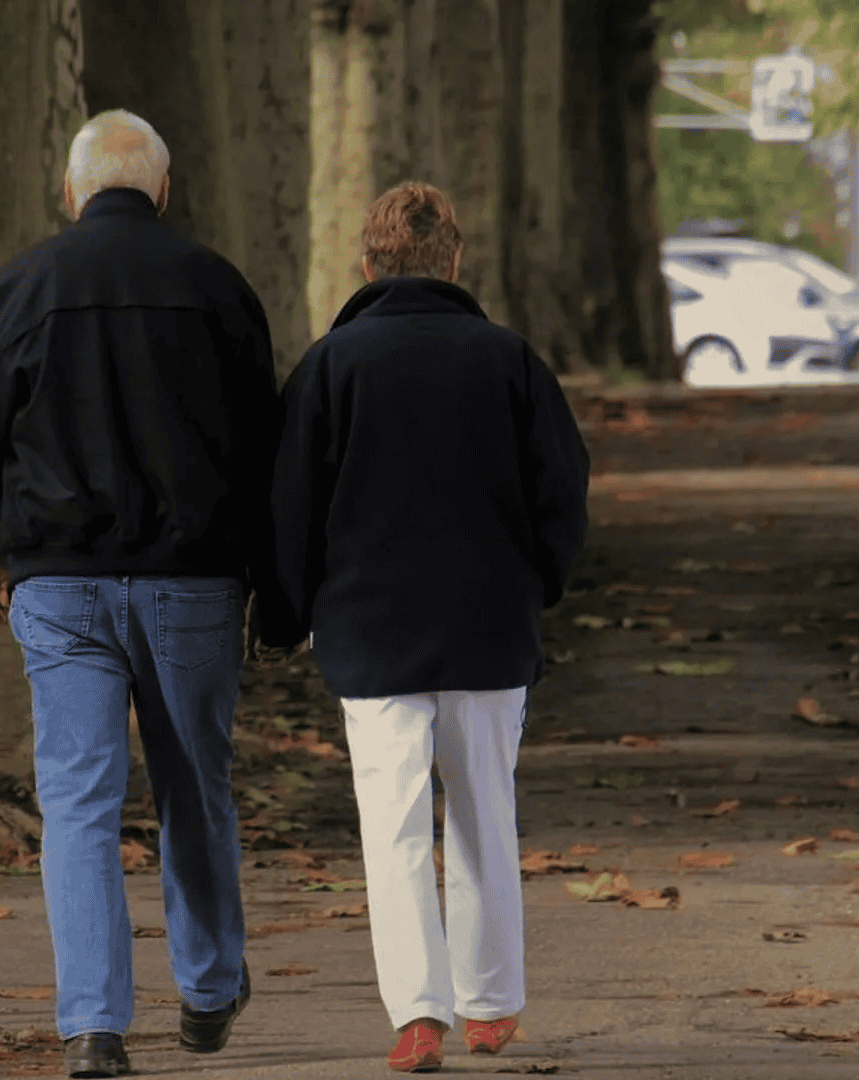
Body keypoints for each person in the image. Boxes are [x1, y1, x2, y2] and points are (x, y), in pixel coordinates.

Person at [0, 109, 291, 1079]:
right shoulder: (218, 288)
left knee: (79, 803)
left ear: (72, 189)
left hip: (59, 582)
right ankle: (211, 987)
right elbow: (268, 453)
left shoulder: (24, 286)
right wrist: (276, 583)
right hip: (194, 584)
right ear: (164, 189)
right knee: (194, 788)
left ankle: (94, 1026)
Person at [267, 182, 590, 1072]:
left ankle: (417, 1011)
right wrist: (540, 586)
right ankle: (490, 1003)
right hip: (489, 626)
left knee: (394, 825)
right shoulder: (510, 361)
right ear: (456, 262)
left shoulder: (332, 367)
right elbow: (562, 490)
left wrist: (288, 614)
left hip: (369, 632)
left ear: (366, 267)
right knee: (486, 813)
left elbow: (292, 507)